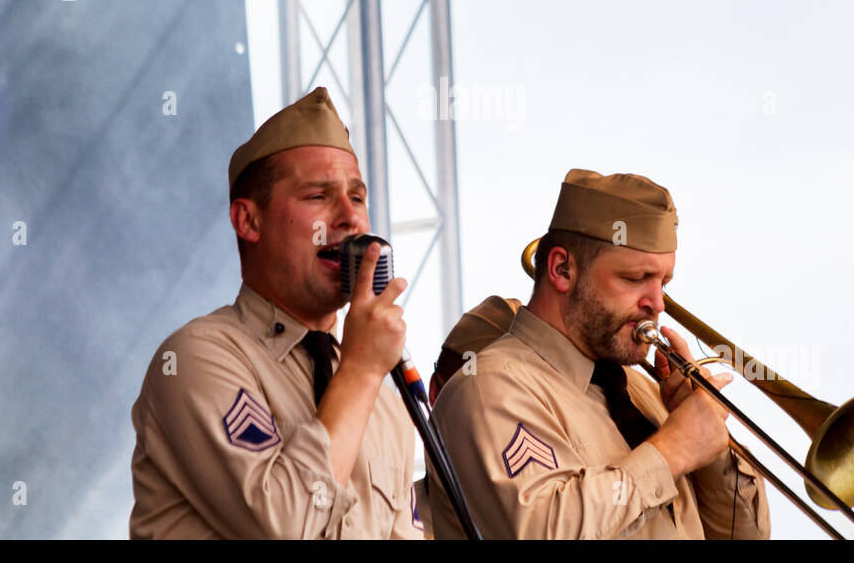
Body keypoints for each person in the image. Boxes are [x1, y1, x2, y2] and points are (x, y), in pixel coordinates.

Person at [129, 87, 424, 539]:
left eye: (358, 198)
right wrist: (363, 370)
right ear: (248, 221)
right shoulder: (195, 359)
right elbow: (286, 528)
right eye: (317, 197)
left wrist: (365, 376)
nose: (350, 219)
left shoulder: (386, 405)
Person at [428, 169, 770, 539]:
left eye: (663, 283)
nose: (657, 304)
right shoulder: (489, 388)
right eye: (635, 278)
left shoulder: (644, 392)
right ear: (562, 269)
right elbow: (542, 531)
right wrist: (673, 450)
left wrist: (711, 448)